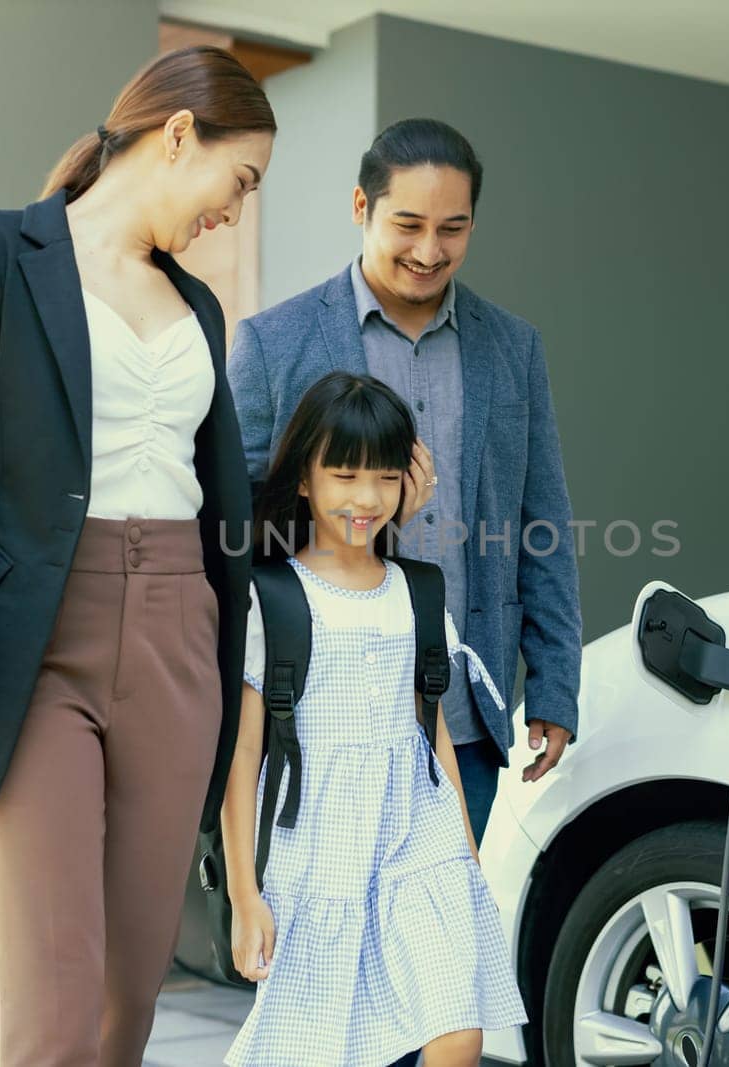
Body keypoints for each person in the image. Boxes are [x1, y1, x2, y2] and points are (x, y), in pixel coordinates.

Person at [0, 47, 273, 1066]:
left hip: (182, 639)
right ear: (181, 134)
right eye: (241, 179)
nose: (236, 209)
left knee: (128, 993)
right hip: (32, 645)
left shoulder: (201, 308)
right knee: (55, 996)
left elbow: (221, 497)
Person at [228, 119, 583, 855]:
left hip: (465, 719)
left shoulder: (514, 347)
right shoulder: (274, 342)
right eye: (409, 224)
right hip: (321, 713)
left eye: (452, 228)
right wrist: (368, 518)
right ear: (361, 207)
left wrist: (553, 686)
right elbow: (234, 529)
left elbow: (540, 521)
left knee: (442, 946)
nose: (429, 251)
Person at [220, 372, 526, 1067]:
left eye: (385, 477)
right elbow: (243, 753)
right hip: (314, 845)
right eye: (345, 474)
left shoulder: (417, 591)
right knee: (319, 1046)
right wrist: (245, 891)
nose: (366, 498)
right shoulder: (274, 597)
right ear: (303, 478)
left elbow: (433, 727)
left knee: (458, 1028)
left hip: (418, 839)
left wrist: (467, 858)